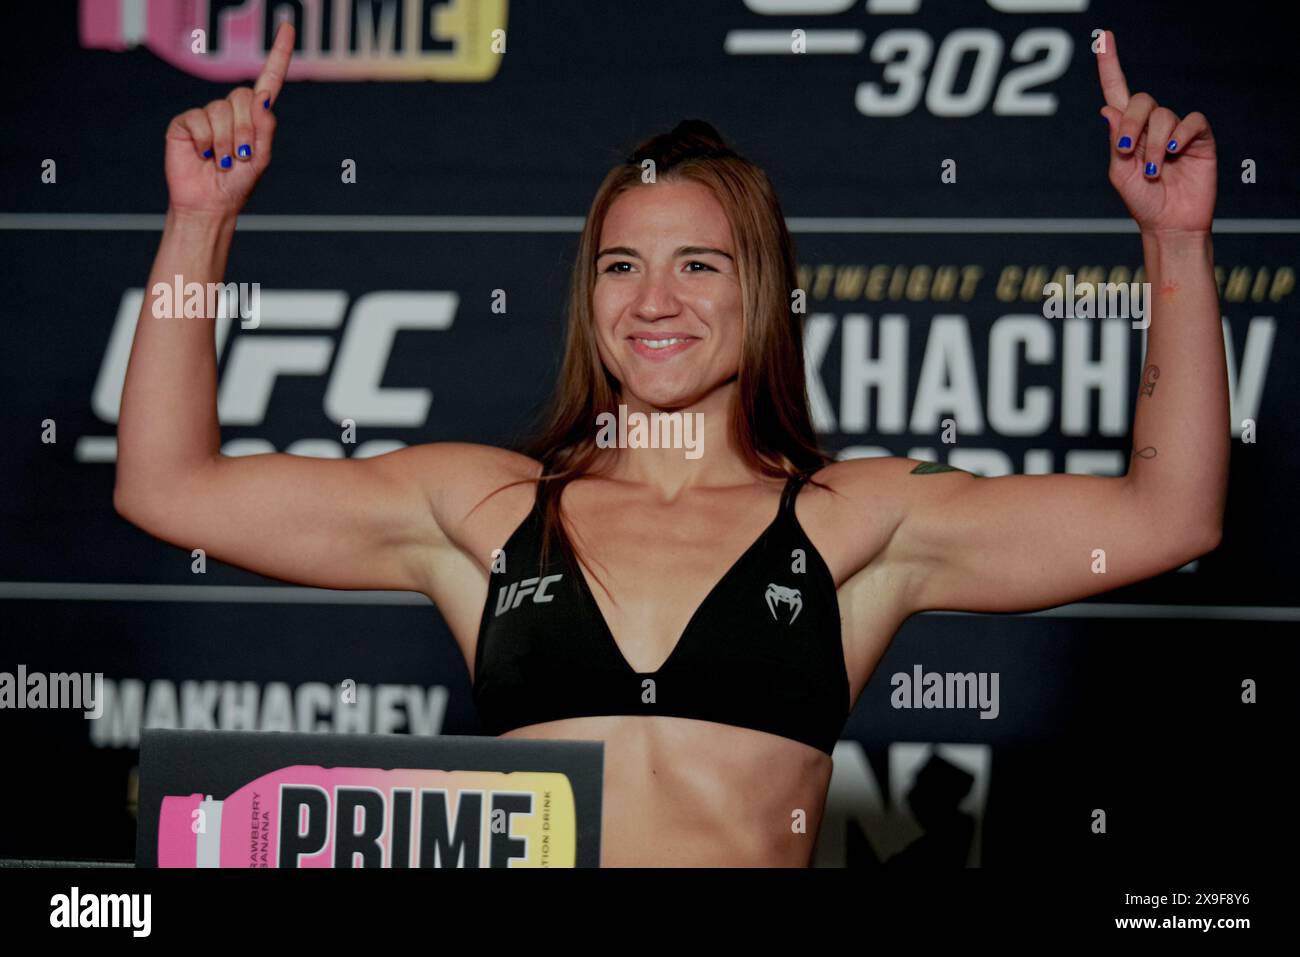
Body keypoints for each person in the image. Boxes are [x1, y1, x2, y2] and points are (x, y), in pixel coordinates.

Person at [115, 24, 1227, 867]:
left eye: (699, 264)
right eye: (619, 265)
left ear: (763, 293)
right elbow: (170, 488)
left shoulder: (862, 520)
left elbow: (1166, 518)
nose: (655, 300)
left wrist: (1172, 242)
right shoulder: (485, 509)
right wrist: (199, 224)